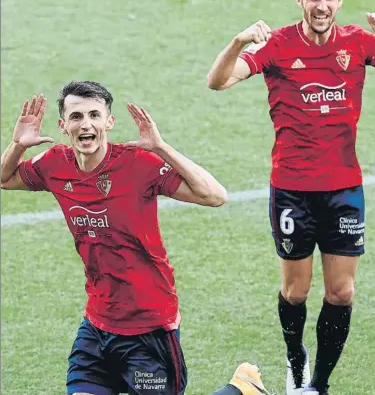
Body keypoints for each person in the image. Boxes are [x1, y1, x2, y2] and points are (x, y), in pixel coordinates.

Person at [207, 0, 375, 395]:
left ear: (339, 0)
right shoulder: (277, 46)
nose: (321, 5)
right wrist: (237, 42)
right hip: (291, 191)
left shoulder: (359, 43)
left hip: (344, 190)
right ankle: (295, 358)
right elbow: (218, 81)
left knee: (342, 293)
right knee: (295, 292)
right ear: (300, 0)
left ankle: (318, 386)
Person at [1, 81, 228, 395]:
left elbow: (215, 196)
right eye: (76, 116)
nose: (86, 124)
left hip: (148, 327)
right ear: (63, 125)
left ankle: (240, 389)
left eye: (95, 114)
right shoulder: (55, 164)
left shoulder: (137, 163)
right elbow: (4, 178)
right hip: (96, 326)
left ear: (108, 122)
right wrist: (18, 144)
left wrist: (162, 148)